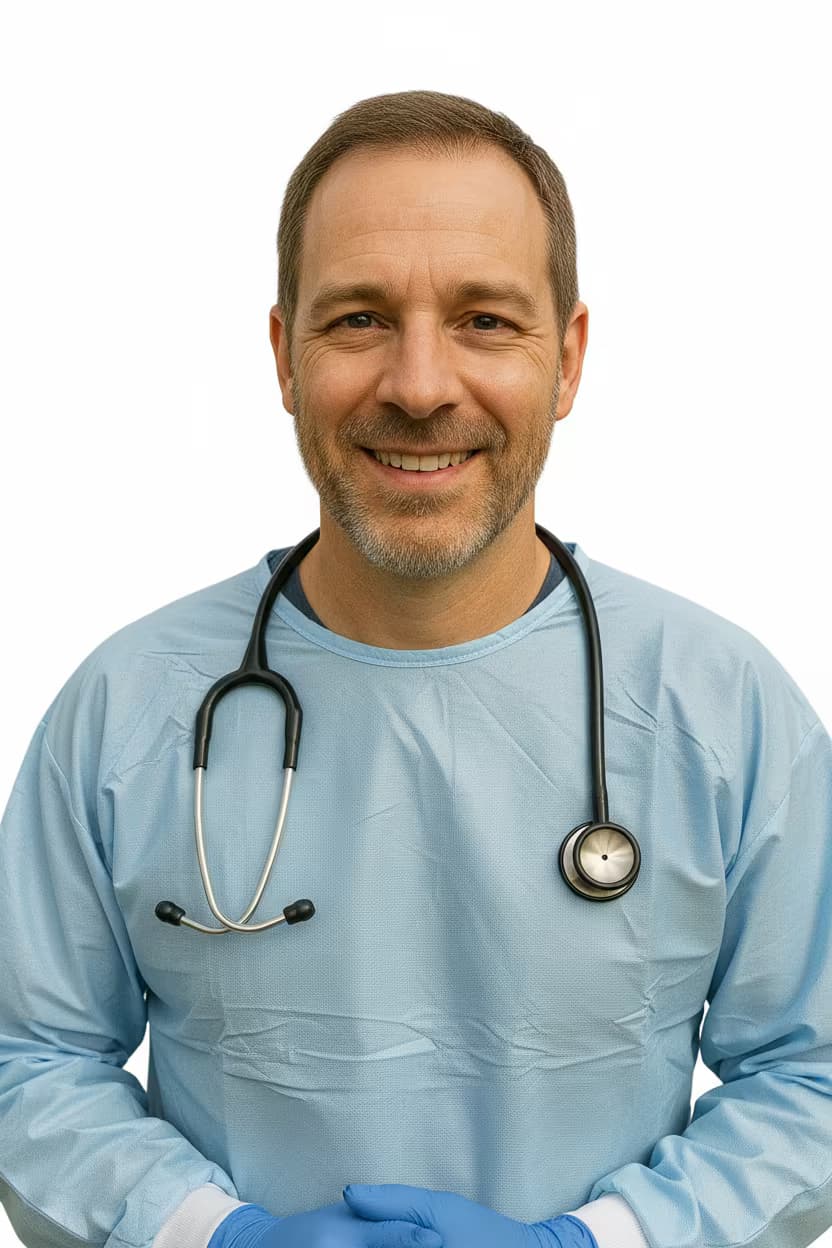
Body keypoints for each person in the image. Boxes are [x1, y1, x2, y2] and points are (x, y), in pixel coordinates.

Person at [1, 87, 830, 1248]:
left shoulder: (722, 711)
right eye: (358, 320)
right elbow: (25, 1061)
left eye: (487, 320)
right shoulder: (124, 711)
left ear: (570, 358)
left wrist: (600, 1246)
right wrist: (211, 1235)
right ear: (284, 356)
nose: (422, 384)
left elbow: (814, 1078)